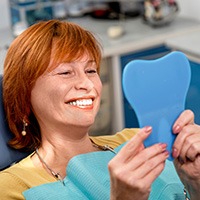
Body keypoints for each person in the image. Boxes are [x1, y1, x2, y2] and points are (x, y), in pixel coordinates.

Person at [0, 19, 200, 200]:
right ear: (25, 96)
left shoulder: (138, 140)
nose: (87, 83)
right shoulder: (12, 187)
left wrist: (195, 185)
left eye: (90, 70)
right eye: (66, 72)